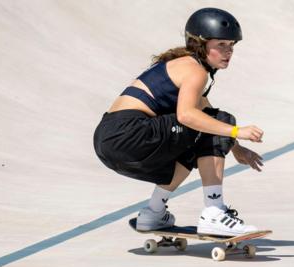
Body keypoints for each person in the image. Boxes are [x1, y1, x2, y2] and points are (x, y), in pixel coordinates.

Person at [93, 7, 264, 236]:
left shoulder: (185, 65)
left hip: (108, 141)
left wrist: (235, 147)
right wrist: (236, 130)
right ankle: (214, 212)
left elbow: (205, 116)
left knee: (196, 141)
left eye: (232, 45)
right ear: (200, 43)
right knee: (218, 121)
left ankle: (153, 213)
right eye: (221, 45)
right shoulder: (195, 71)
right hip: (130, 131)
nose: (228, 51)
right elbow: (187, 116)